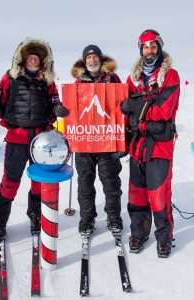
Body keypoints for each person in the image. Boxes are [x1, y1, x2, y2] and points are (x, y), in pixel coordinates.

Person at [0, 38, 60, 240]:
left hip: (41, 140)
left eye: (37, 57)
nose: (33, 60)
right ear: (22, 58)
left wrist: (57, 110)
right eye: (30, 56)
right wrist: (10, 121)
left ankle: (36, 216)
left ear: (42, 61)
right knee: (10, 181)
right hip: (17, 138)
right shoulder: (9, 78)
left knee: (38, 182)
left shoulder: (47, 80)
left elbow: (54, 102)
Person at [121, 29, 180, 258]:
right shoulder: (133, 79)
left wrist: (136, 108)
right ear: (140, 49)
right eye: (145, 46)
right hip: (137, 145)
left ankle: (164, 237)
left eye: (153, 46)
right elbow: (125, 110)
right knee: (137, 194)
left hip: (160, 145)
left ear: (160, 47)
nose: (149, 50)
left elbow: (164, 110)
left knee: (158, 194)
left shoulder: (170, 75)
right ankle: (139, 232)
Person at [55, 45, 123, 236]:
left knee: (111, 182)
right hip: (84, 142)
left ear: (101, 60)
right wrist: (61, 109)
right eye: (89, 58)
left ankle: (114, 217)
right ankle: (87, 218)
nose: (92, 61)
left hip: (107, 141)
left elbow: (120, 109)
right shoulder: (77, 83)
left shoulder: (113, 79)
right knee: (85, 182)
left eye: (95, 57)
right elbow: (71, 108)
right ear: (84, 62)